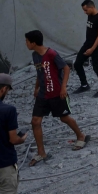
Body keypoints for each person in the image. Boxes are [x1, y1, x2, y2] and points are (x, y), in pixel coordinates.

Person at [25, 30, 89, 166]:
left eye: (27, 41)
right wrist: (36, 88)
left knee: (64, 117)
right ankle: (41, 152)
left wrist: (63, 87)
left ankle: (80, 135)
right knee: (35, 121)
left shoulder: (51, 54)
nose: (26, 44)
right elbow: (39, 72)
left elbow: (66, 68)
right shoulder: (35, 55)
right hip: (43, 94)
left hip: (57, 93)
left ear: (33, 42)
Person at [74, 0, 98, 96]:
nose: (85, 12)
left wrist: (92, 49)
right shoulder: (90, 15)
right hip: (87, 44)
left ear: (91, 7)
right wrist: (88, 46)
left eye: (86, 10)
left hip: (96, 46)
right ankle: (84, 85)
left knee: (96, 67)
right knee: (77, 64)